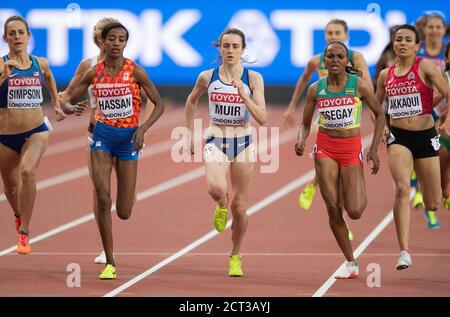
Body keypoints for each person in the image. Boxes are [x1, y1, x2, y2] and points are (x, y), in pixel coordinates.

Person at [63, 22, 164, 279]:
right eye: (113, 39)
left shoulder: (135, 70)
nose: (117, 43)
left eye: (122, 39)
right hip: (102, 138)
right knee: (102, 197)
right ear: (103, 42)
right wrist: (68, 108)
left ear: (125, 44)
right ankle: (110, 261)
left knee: (124, 211)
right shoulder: (93, 72)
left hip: (128, 140)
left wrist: (143, 128)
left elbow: (159, 104)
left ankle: (121, 213)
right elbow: (66, 100)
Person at [295, 41, 385, 279]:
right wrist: (301, 140)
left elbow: (380, 114)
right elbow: (305, 124)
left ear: (347, 61)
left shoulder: (360, 86)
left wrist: (374, 149)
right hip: (325, 149)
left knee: (354, 211)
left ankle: (349, 188)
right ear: (324, 61)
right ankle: (351, 262)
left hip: (350, 149)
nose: (334, 61)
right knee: (333, 209)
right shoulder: (316, 89)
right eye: (330, 57)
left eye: (339, 56)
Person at [185, 28, 266, 277]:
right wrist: (189, 134)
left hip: (242, 142)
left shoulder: (254, 78)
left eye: (235, 46)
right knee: (216, 188)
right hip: (216, 138)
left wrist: (244, 95)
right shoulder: (207, 77)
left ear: (243, 50)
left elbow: (262, 118)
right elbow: (191, 101)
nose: (230, 51)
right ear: (219, 48)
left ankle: (235, 256)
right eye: (226, 46)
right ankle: (221, 203)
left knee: (240, 209)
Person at [375, 24, 450, 270]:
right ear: (394, 44)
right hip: (399, 138)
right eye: (399, 39)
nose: (403, 43)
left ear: (417, 46)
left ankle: (429, 196)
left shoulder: (424, 67)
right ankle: (404, 251)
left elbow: (448, 92)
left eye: (408, 40)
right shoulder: (386, 75)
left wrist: (447, 119)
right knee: (401, 188)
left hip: (426, 137)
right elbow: (376, 108)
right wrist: (381, 130)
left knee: (433, 203)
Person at [284, 19, 371, 224]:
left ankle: (315, 184)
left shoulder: (356, 58)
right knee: (326, 154)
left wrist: (376, 116)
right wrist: (291, 106)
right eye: (330, 33)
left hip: (350, 112)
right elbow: (304, 81)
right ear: (324, 36)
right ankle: (321, 188)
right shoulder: (317, 61)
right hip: (327, 113)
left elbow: (368, 86)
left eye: (338, 33)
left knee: (343, 173)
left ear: (346, 36)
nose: (333, 36)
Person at [0, 16, 66, 254]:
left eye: (21, 32)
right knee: (10, 187)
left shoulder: (41, 63)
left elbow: (48, 77)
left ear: (28, 36)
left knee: (28, 172)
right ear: (5, 38)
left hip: (36, 130)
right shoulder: (1, 64)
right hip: (5, 137)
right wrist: (3, 77)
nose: (17, 37)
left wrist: (56, 102)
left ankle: (24, 233)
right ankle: (18, 214)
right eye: (12, 33)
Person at [413, 14, 447, 227]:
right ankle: (423, 198)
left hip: (445, 110)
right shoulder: (419, 53)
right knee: (429, 156)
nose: (434, 30)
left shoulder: (447, 52)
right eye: (430, 27)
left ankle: (435, 192)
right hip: (424, 110)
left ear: (444, 30)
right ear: (424, 30)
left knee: (442, 160)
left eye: (438, 27)